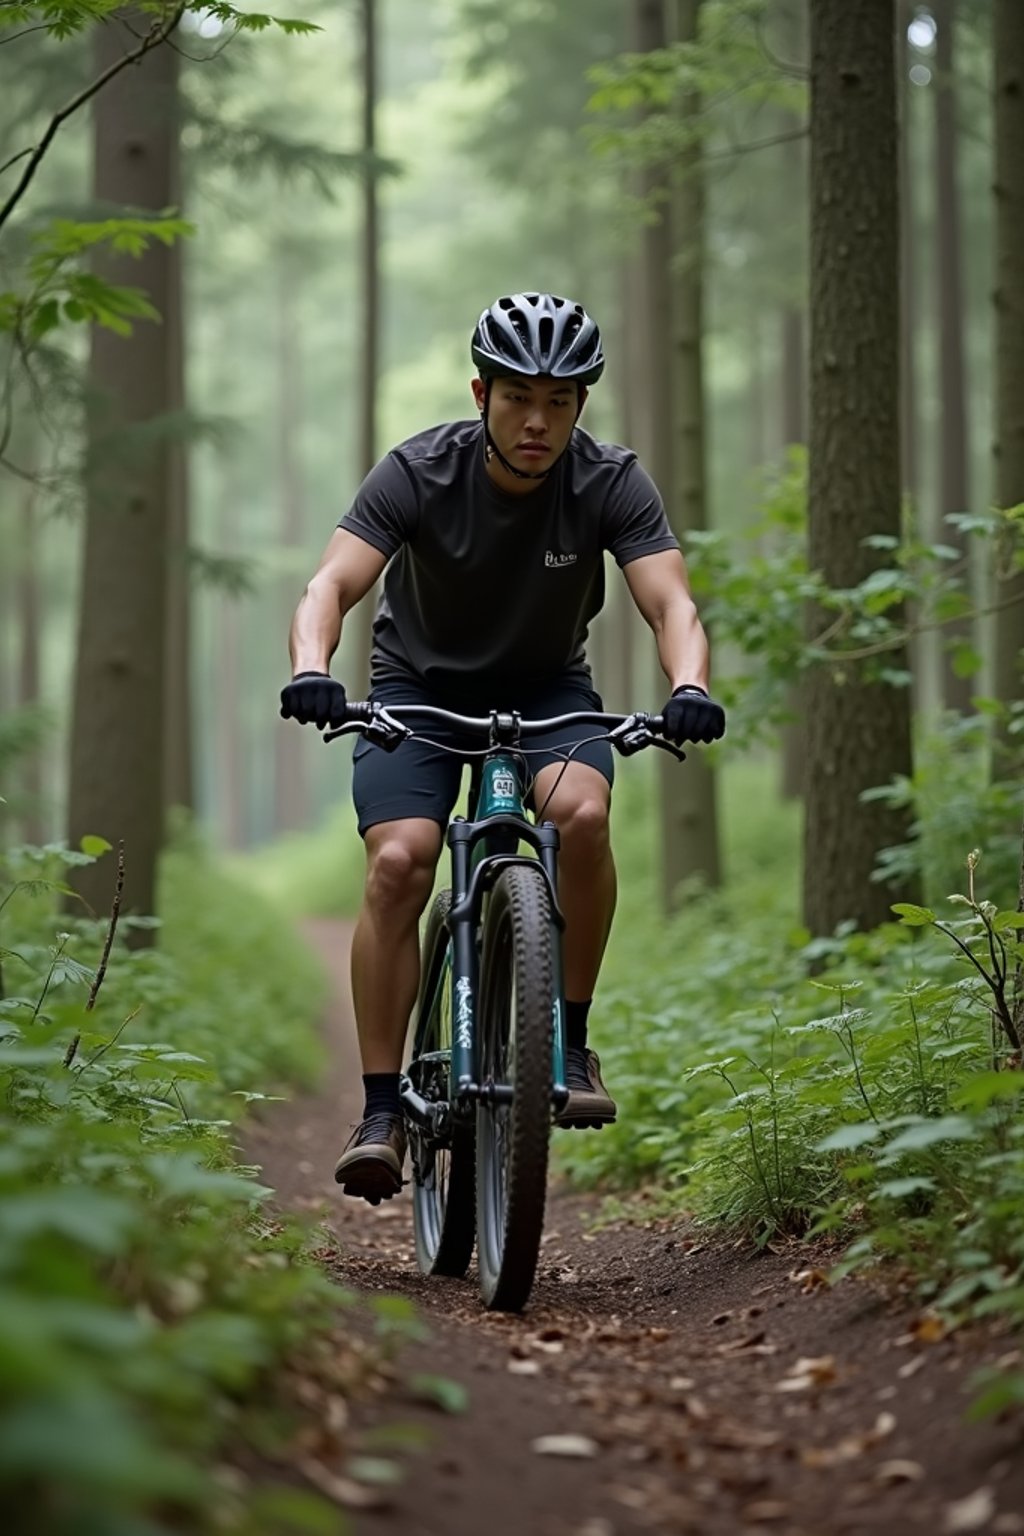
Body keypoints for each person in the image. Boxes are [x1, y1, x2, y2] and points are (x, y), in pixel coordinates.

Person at [280, 291, 725, 1204]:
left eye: (559, 402)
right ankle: (380, 1112)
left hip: (548, 693)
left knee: (583, 817)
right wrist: (311, 665)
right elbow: (331, 581)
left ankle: (567, 1038)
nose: (537, 420)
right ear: (480, 393)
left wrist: (689, 686)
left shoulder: (609, 482)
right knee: (400, 863)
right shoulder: (417, 471)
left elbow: (670, 602)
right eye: (519, 397)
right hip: (418, 689)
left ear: (580, 407)